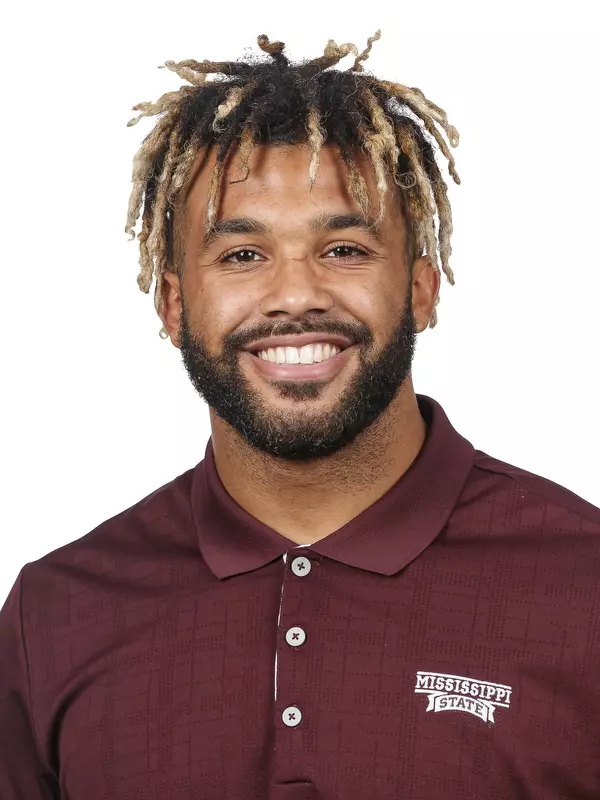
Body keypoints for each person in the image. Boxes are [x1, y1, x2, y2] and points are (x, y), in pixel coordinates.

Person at [1, 30, 599, 800]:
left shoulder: (584, 588)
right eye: (242, 256)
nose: (295, 295)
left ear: (421, 288)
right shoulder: (55, 616)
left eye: (344, 249)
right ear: (175, 306)